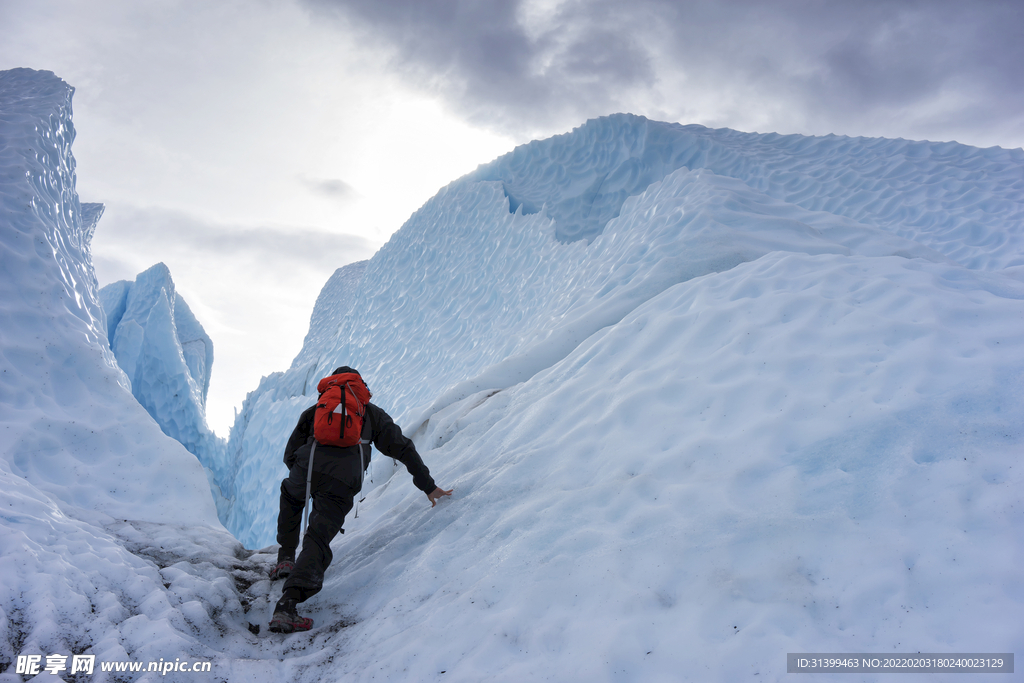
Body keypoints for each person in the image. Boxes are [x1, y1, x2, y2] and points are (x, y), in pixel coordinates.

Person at [268, 366, 452, 633]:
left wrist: (303, 475)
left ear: (332, 383)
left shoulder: (318, 408)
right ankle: (288, 605)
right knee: (318, 537)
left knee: (291, 496)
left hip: (306, 467)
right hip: (344, 479)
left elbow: (291, 451)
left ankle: (285, 557)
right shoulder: (369, 413)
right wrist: (428, 486)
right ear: (359, 386)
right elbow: (403, 448)